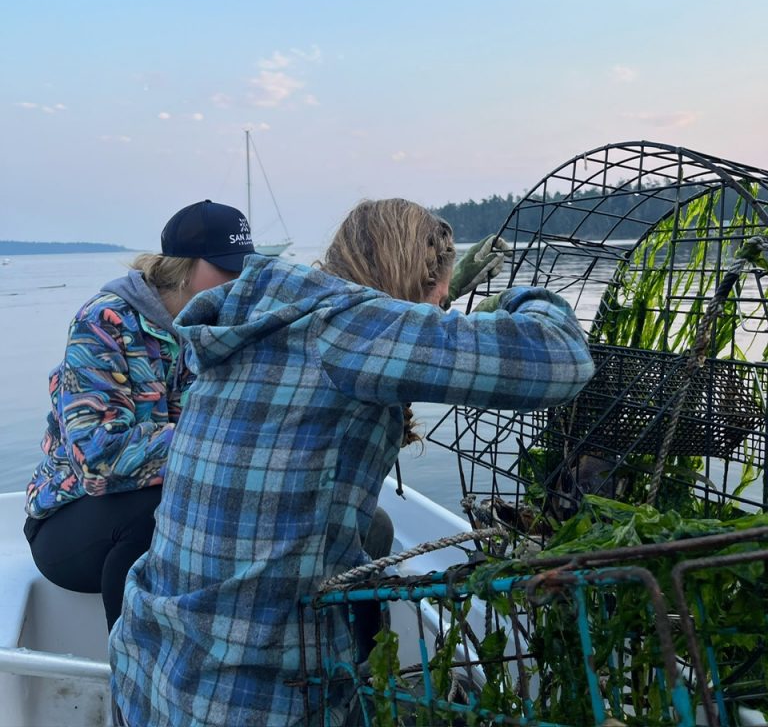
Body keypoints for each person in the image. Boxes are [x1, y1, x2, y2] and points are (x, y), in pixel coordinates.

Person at [110, 198, 595, 727]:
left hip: (151, 669)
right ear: (417, 280)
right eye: (441, 297)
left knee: (375, 532)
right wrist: (519, 298)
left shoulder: (268, 322)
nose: (442, 312)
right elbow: (562, 358)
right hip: (250, 698)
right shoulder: (351, 325)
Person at [24, 199, 255, 632]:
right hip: (70, 522)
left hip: (173, 503)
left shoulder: (220, 329)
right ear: (183, 267)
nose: (238, 280)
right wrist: (217, 437)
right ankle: (133, 685)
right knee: (155, 512)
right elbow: (97, 461)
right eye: (226, 267)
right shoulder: (103, 322)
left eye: (246, 267)